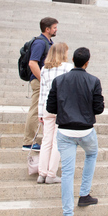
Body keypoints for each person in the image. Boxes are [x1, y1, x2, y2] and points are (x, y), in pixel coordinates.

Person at [46, 47, 104, 216]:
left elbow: (51, 107)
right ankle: (84, 194)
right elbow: (99, 109)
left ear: (72, 59)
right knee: (91, 155)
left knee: (68, 173)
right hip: (86, 130)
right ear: (88, 62)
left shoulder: (59, 80)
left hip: (65, 130)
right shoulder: (94, 81)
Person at [36, 42, 73, 184]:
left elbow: (43, 92)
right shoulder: (68, 68)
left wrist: (40, 111)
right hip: (62, 107)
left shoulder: (45, 69)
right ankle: (51, 173)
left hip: (47, 106)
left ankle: (42, 172)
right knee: (57, 141)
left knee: (46, 140)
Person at [22, 17, 57, 151]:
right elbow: (32, 63)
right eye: (54, 27)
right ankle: (28, 141)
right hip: (39, 81)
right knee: (36, 109)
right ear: (47, 29)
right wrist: (43, 81)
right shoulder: (40, 43)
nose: (56, 29)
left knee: (41, 109)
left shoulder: (48, 42)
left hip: (43, 81)